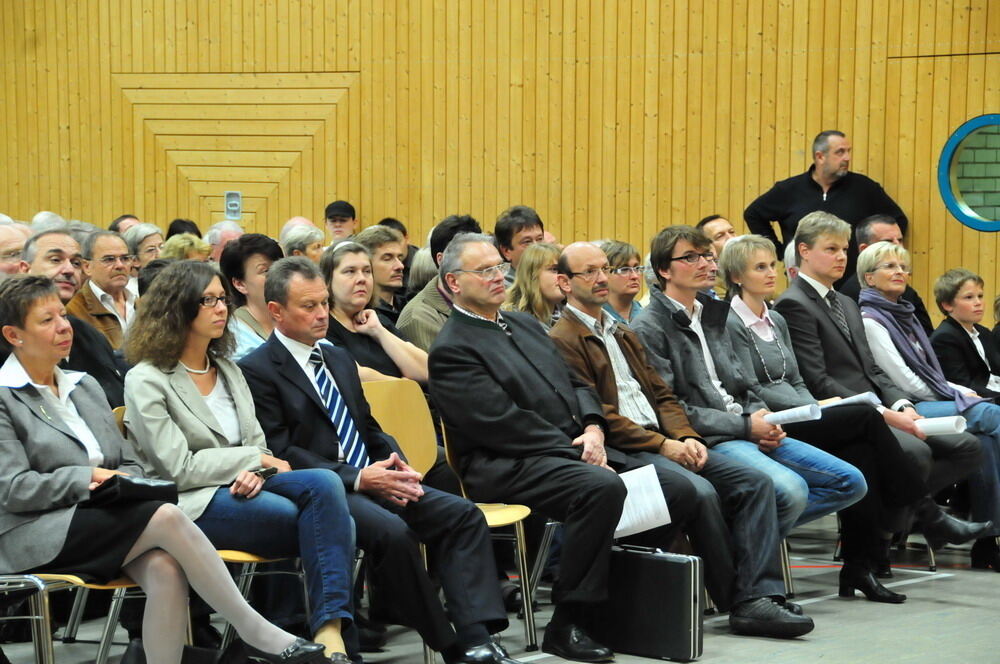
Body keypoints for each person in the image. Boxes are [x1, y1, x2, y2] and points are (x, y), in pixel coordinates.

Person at [0, 275, 327, 664]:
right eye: (46, 320)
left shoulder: (82, 385)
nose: (64, 326)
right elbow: (12, 488)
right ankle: (254, 629)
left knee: (166, 570)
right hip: (33, 530)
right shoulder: (5, 397)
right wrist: (89, 478)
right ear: (13, 335)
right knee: (167, 515)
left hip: (100, 517)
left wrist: (126, 481)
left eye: (62, 315)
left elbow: (127, 459)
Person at [238, 257, 519, 664]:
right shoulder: (257, 370)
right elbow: (282, 450)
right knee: (392, 532)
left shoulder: (335, 357)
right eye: (308, 306)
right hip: (324, 487)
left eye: (323, 304)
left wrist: (396, 464)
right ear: (277, 311)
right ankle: (448, 644)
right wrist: (358, 478)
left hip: (372, 474)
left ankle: (478, 639)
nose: (321, 315)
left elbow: (366, 426)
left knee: (461, 515)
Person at [549, 242, 814, 635]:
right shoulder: (563, 338)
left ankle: (761, 593)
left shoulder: (620, 330)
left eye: (605, 268)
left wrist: (686, 436)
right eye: (589, 272)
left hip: (664, 437)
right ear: (564, 283)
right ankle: (742, 601)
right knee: (701, 492)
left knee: (755, 484)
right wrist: (664, 444)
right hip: (625, 447)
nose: (602, 278)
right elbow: (599, 414)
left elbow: (662, 395)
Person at [123, 260, 356, 661]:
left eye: (222, 299)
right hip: (190, 503)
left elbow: (258, 442)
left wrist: (258, 469)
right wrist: (249, 461)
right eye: (207, 300)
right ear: (177, 308)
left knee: (324, 483)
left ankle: (326, 628)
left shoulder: (228, 369)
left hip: (250, 482)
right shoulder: (147, 379)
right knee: (339, 523)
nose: (220, 309)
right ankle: (308, 635)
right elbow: (177, 468)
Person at [718, 235, 931, 600]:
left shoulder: (777, 319)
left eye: (772, 265)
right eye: (760, 267)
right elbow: (750, 385)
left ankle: (857, 570)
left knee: (862, 451)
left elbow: (798, 378)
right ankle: (924, 508)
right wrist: (808, 409)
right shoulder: (728, 322)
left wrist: (815, 406)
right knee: (865, 418)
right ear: (737, 276)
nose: (772, 274)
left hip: (802, 410)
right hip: (773, 417)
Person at [773, 212, 990, 565]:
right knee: (915, 454)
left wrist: (901, 404)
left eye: (844, 249)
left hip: (877, 405)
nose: (842, 257)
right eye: (831, 249)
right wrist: (881, 412)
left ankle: (906, 519)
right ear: (804, 252)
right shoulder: (793, 304)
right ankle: (885, 542)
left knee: (967, 446)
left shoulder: (845, 302)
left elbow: (872, 369)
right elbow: (817, 379)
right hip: (844, 410)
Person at [632, 225, 866, 540]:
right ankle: (740, 556)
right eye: (691, 257)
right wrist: (745, 425)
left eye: (707, 256)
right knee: (791, 491)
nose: (705, 264)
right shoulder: (649, 326)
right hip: (711, 437)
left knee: (850, 482)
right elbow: (671, 407)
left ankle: (732, 537)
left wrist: (765, 420)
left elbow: (745, 384)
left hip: (747, 426)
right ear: (664, 270)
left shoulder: (712, 315)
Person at [856, 242, 1000, 569]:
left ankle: (987, 541)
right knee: (991, 414)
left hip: (931, 399)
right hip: (908, 408)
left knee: (987, 442)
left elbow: (932, 374)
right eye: (889, 266)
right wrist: (959, 396)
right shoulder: (871, 319)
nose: (899, 272)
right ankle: (907, 513)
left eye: (903, 266)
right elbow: (906, 382)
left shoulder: (905, 315)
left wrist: (962, 392)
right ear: (869, 277)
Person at [744, 130, 908, 288]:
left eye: (848, 152)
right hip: (805, 285)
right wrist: (781, 252)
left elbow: (898, 220)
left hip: (853, 284)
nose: (847, 158)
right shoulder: (789, 190)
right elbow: (753, 214)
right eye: (840, 152)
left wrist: (873, 256)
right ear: (820, 157)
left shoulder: (864, 188)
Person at [15, 230, 127, 408]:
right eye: (55, 260)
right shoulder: (7, 339)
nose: (69, 270)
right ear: (24, 268)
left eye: (76, 263)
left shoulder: (90, 336)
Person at [321, 242, 427, 381]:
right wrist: (403, 386)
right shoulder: (322, 326)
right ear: (327, 280)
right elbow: (353, 375)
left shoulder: (377, 320)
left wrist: (378, 331)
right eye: (350, 271)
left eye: (367, 271)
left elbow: (426, 371)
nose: (361, 279)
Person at [397, 215, 481, 352]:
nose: (479, 263)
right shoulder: (418, 317)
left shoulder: (485, 298)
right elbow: (442, 371)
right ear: (442, 260)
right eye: (468, 255)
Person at [837, 214, 933, 334]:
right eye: (888, 242)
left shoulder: (906, 292)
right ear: (864, 249)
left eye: (900, 240)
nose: (898, 246)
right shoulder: (850, 296)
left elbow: (928, 337)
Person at [932, 269, 1000, 401]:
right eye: (969, 297)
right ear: (947, 305)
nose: (978, 302)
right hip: (980, 401)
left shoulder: (983, 332)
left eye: (980, 296)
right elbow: (964, 385)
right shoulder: (944, 338)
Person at [219, 233, 286, 361]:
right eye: (265, 271)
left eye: (279, 267)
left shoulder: (295, 316)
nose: (277, 276)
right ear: (240, 284)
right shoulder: (233, 333)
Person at [66, 231, 136, 350]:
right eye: (109, 259)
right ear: (87, 267)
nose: (120, 265)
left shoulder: (141, 303)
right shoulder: (74, 310)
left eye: (125, 258)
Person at [501, 242, 563, 330]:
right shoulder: (510, 320)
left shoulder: (570, 316)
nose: (563, 276)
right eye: (554, 269)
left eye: (564, 270)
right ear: (531, 274)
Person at [353, 225, 409, 323]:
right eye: (387, 258)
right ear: (366, 264)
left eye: (400, 258)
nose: (400, 266)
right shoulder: (360, 315)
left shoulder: (409, 305)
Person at [494, 205, 544, 287]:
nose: (537, 247)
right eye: (527, 242)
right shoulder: (503, 290)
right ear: (507, 251)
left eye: (539, 239)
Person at [598, 240, 643, 324]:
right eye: (624, 269)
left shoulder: (648, 316)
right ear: (605, 273)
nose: (635, 276)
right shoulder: (596, 318)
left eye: (637, 268)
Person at [377, 217, 419, 290]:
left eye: (398, 240)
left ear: (407, 239)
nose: (393, 246)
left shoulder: (421, 262)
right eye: (387, 241)